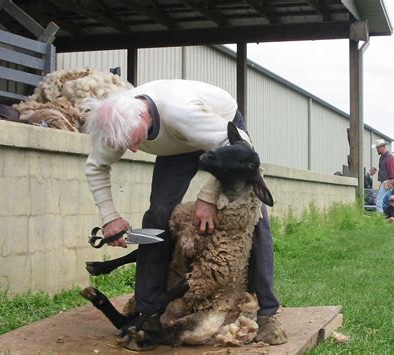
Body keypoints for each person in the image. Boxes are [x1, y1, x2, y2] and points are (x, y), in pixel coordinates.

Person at [84, 80, 287, 344]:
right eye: (127, 144)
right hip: (175, 146)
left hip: (223, 136)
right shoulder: (117, 123)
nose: (133, 149)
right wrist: (110, 218)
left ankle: (267, 314)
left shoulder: (180, 110)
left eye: (134, 141)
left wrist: (208, 197)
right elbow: (95, 167)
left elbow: (242, 149)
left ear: (143, 115)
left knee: (253, 216)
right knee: (157, 216)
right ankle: (148, 315)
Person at [372, 139, 394, 213]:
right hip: (385, 181)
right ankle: (386, 217)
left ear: (382, 147)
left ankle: (380, 218)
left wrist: (390, 182)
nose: (377, 150)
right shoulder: (384, 157)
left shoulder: (389, 158)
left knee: (379, 200)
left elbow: (392, 173)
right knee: (385, 200)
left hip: (387, 181)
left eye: (377, 148)